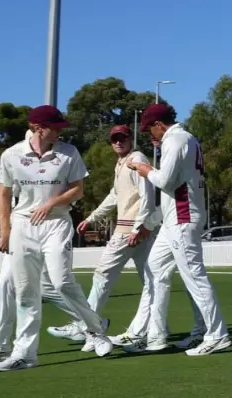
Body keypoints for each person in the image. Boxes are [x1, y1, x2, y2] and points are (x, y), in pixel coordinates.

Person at [0, 105, 113, 371]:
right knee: (26, 291)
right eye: (56, 128)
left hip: (57, 223)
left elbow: (78, 190)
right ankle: (25, 354)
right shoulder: (12, 155)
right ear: (38, 128)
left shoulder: (69, 152)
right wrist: (5, 230)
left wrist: (52, 203)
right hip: (23, 226)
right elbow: (3, 194)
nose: (60, 132)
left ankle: (95, 330)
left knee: (61, 281)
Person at [124, 103, 230, 356]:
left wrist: (144, 169)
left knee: (194, 275)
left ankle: (217, 335)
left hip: (183, 218)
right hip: (175, 219)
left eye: (151, 129)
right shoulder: (183, 139)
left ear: (160, 124)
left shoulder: (176, 140)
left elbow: (165, 181)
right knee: (155, 268)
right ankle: (160, 335)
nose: (150, 135)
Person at [49, 124, 162, 350]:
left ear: (131, 138)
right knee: (152, 282)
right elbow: (115, 195)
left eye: (122, 138)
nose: (118, 142)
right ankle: (151, 332)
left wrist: (139, 227)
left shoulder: (136, 158)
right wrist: (91, 218)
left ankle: (86, 327)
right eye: (114, 139)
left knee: (103, 275)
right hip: (134, 231)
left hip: (129, 231)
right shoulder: (121, 163)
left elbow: (148, 194)